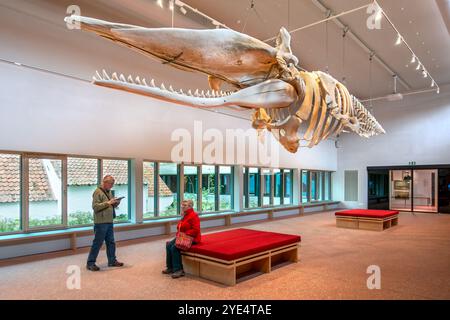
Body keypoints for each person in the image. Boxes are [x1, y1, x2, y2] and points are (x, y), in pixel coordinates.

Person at [86, 175, 124, 271]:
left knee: (111, 242)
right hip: (101, 222)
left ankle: (112, 261)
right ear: (105, 182)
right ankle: (90, 263)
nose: (112, 186)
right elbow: (95, 207)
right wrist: (108, 203)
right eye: (111, 184)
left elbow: (110, 205)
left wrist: (116, 203)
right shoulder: (97, 192)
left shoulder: (109, 192)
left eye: (112, 184)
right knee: (97, 243)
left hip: (109, 221)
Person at [162, 199, 201, 278]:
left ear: (190, 206)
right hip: (182, 236)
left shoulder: (194, 215)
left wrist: (184, 235)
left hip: (192, 238)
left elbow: (196, 230)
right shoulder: (185, 215)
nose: (182, 207)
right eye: (182, 205)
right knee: (169, 245)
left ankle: (179, 270)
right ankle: (170, 267)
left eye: (184, 205)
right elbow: (179, 227)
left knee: (174, 248)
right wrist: (180, 235)